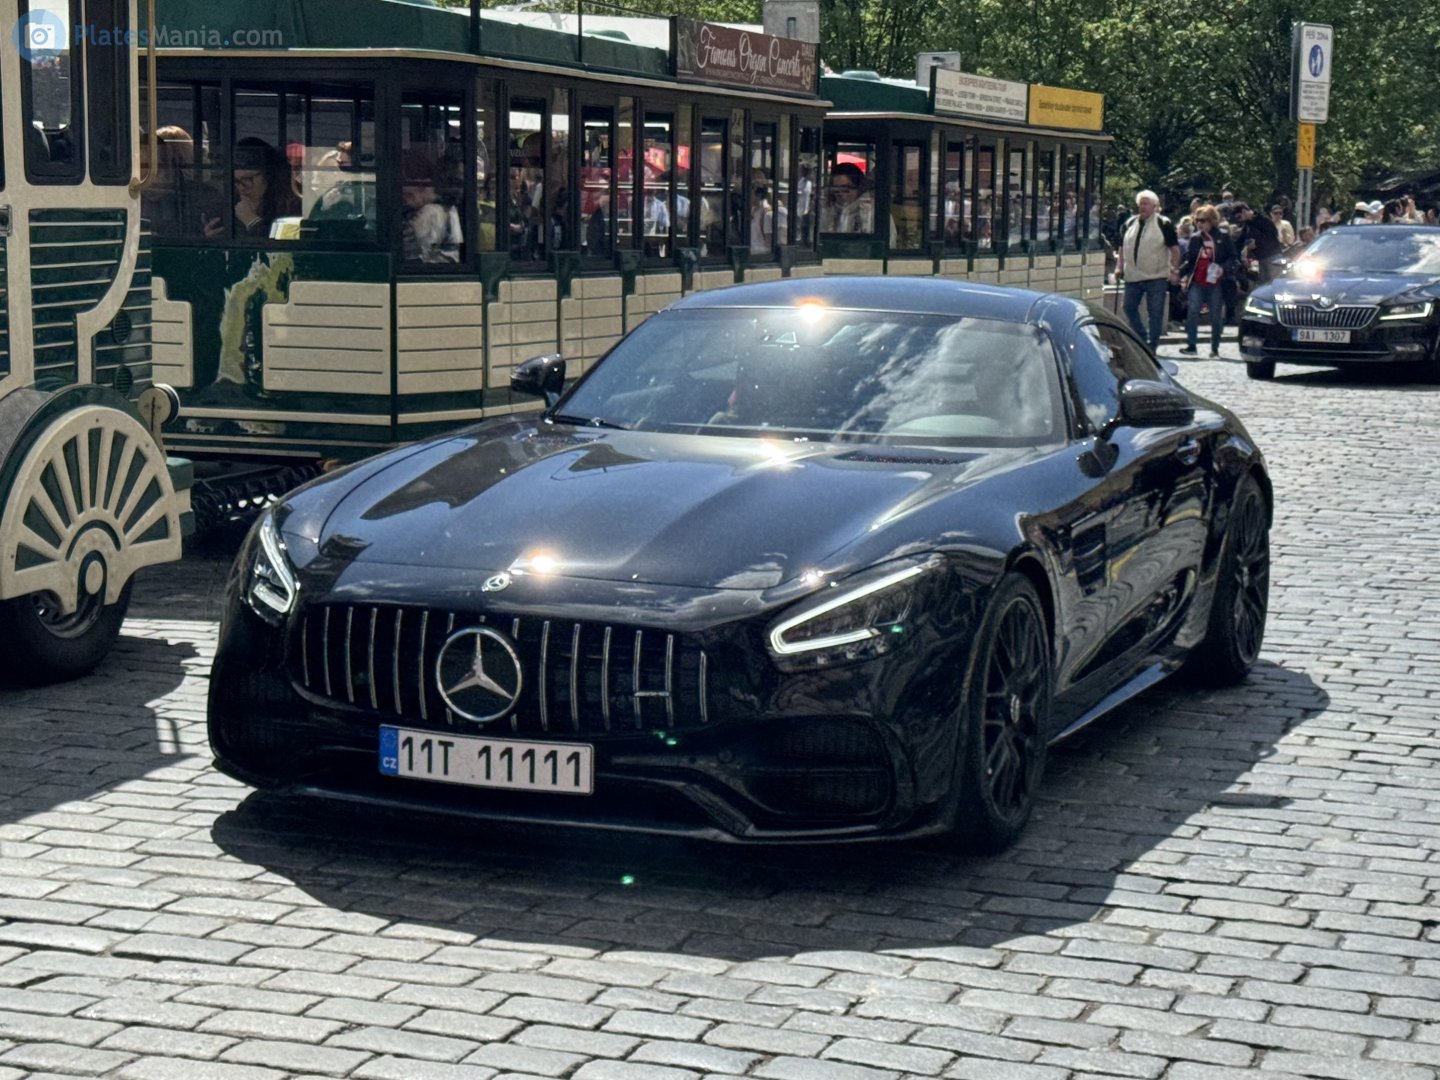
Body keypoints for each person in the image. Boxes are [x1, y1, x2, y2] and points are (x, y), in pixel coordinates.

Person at [1114, 188, 1180, 350]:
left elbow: (1175, 250)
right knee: (1128, 307)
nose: (1142, 207)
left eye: (1146, 204)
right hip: (1132, 276)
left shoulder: (1163, 224)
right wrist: (1119, 266)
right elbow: (1122, 247)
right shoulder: (1129, 223)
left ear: (1154, 206)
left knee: (1155, 313)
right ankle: (1142, 338)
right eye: (1140, 204)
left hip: (1156, 276)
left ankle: (1152, 345)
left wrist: (1174, 270)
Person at [204, 137, 300, 239]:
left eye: (247, 179)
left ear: (268, 176)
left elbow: (283, 249)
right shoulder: (230, 205)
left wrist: (253, 223)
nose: (241, 187)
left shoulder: (293, 206)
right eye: (236, 181)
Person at [1178, 204, 1238, 358]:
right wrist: (1178, 273)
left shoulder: (1223, 236)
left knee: (1216, 315)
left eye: (1203, 220)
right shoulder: (1195, 238)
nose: (1200, 223)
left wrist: (1222, 268)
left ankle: (1215, 347)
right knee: (1192, 311)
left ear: (1212, 220)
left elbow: (1233, 257)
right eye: (1198, 220)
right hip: (1198, 281)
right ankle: (1191, 344)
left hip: (1216, 282)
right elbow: (1190, 261)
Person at [1234, 202, 1282, 284]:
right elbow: (1239, 242)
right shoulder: (1247, 226)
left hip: (1273, 257)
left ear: (1244, 211)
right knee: (1264, 286)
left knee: (1276, 283)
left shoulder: (1264, 220)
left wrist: (1256, 244)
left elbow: (1271, 238)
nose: (1239, 220)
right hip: (1261, 259)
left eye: (1239, 217)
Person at [824, 162, 874, 233]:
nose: (841, 194)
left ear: (859, 187)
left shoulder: (872, 212)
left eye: (846, 189)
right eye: (836, 190)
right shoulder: (828, 211)